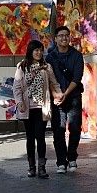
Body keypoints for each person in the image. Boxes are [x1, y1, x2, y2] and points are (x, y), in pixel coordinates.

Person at [13, 40, 62, 179]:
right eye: (36, 50)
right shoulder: (22, 66)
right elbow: (17, 87)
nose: (39, 52)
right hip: (27, 107)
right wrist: (19, 102)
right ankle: (31, 167)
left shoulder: (47, 67)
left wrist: (59, 95)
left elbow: (54, 83)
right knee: (30, 138)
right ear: (30, 51)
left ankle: (42, 168)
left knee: (40, 137)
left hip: (41, 107)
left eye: (41, 50)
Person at [46, 25, 84, 173]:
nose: (64, 38)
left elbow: (77, 77)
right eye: (61, 35)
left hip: (73, 96)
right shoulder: (50, 57)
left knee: (74, 128)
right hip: (56, 98)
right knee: (58, 130)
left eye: (66, 35)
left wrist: (65, 94)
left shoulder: (76, 55)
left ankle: (72, 157)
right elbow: (48, 78)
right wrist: (56, 94)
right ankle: (61, 161)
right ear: (55, 39)